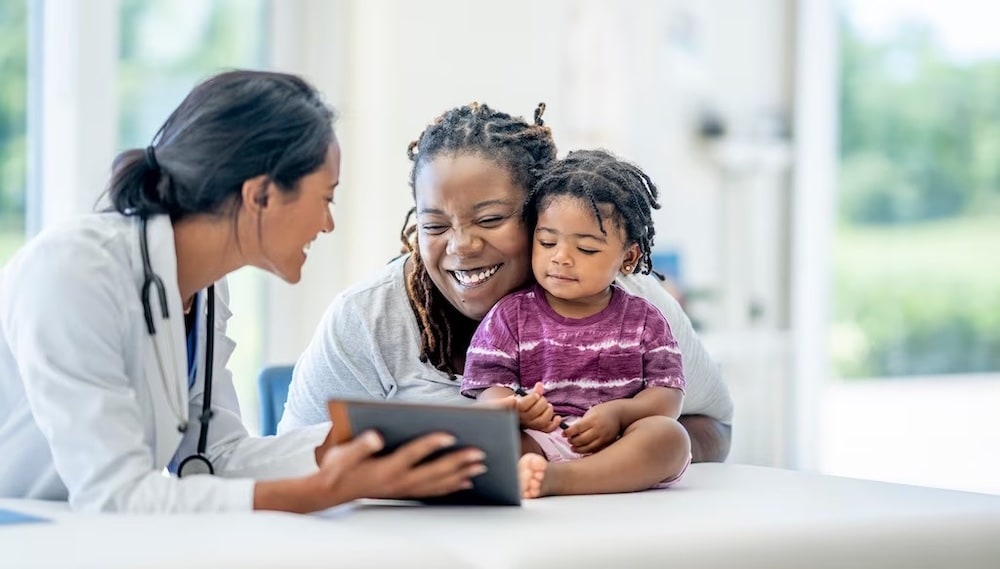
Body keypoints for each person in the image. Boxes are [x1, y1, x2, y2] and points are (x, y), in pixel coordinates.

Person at [0, 70, 485, 513]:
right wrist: (322, 491)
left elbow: (214, 457)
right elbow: (115, 495)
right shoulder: (72, 270)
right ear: (261, 196)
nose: (327, 223)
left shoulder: (206, 290)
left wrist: (371, 440)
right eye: (326, 198)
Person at [281, 102, 734, 463]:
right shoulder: (366, 318)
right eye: (434, 226)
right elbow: (295, 457)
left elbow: (714, 426)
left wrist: (604, 453)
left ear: (544, 211)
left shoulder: (628, 301)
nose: (460, 246)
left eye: (492, 219)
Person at [461, 149, 691, 498]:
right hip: (538, 441)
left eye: (586, 249)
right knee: (485, 440)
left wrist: (620, 413)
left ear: (628, 258)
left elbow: (668, 396)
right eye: (547, 241)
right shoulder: (509, 317)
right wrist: (517, 410)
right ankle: (538, 472)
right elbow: (489, 393)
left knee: (670, 437)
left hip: (620, 444)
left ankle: (560, 480)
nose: (561, 258)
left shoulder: (644, 320)